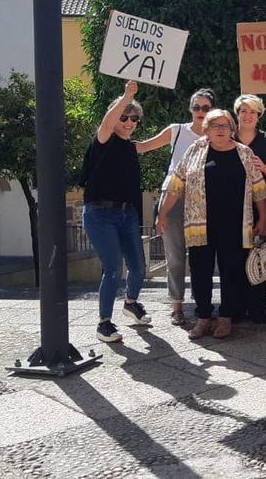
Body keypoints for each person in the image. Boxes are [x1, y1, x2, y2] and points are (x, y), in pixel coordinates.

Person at [155, 108, 266, 339]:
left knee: (231, 271)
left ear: (232, 129)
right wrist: (163, 214)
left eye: (225, 126)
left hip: (236, 225)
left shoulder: (244, 153)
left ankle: (226, 318)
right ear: (205, 129)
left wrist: (263, 218)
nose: (220, 130)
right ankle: (204, 317)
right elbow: (176, 184)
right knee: (200, 272)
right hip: (199, 224)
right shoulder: (195, 150)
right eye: (215, 125)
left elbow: (259, 188)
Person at [134, 88, 215, 326]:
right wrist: (114, 135)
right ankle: (177, 306)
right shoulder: (177, 131)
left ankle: (203, 305)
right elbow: (143, 146)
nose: (201, 112)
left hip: (203, 200)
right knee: (175, 256)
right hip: (173, 197)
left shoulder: (218, 135)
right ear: (191, 109)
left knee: (203, 257)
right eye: (197, 107)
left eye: (206, 108)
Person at [80, 80, 151, 343]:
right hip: (99, 214)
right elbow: (107, 124)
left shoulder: (131, 147)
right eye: (125, 116)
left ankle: (131, 303)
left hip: (126, 214)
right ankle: (104, 324)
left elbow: (153, 143)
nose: (130, 122)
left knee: (139, 267)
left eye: (134, 119)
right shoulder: (104, 140)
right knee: (112, 268)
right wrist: (126, 96)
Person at [234, 94, 266, 324]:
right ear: (237, 114)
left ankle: (257, 309)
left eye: (252, 111)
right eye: (243, 110)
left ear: (259, 115)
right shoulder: (226, 137)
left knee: (259, 254)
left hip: (264, 206)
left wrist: (263, 167)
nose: (248, 115)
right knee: (235, 256)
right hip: (232, 206)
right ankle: (236, 307)